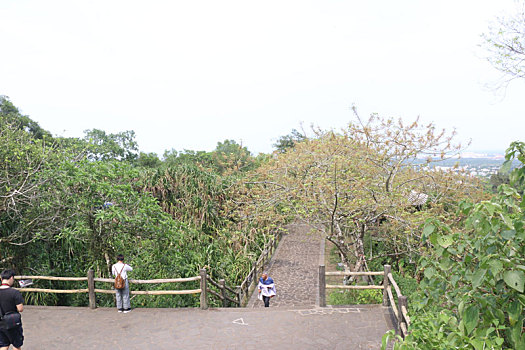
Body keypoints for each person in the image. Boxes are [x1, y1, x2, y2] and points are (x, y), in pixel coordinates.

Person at [0, 270, 24, 350]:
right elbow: (20, 309)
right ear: (11, 278)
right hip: (13, 322)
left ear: (1, 278)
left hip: (0, 323)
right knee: (16, 345)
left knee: (3, 345)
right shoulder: (14, 292)